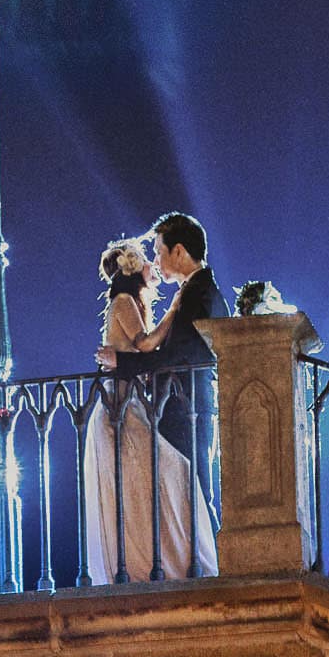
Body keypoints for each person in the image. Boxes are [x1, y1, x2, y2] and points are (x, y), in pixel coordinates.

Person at [83, 237, 218, 584]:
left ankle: (166, 559)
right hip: (120, 408)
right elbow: (145, 344)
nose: (153, 265)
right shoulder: (124, 301)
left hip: (132, 403)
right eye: (148, 260)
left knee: (152, 481)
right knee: (164, 474)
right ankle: (157, 563)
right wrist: (174, 311)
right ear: (133, 268)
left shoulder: (132, 302)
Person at [95, 212, 230, 535]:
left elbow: (177, 357)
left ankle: (211, 567)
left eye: (158, 251)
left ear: (179, 251)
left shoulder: (198, 294)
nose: (155, 260)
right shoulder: (195, 291)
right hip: (180, 405)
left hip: (187, 406)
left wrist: (123, 364)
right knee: (182, 488)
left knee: (194, 488)